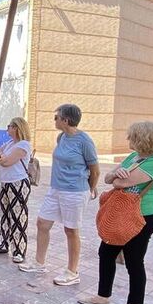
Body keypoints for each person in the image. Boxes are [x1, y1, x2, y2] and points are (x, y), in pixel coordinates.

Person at [78, 121, 153, 304]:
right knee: (106, 253)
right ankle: (103, 297)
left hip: (141, 216)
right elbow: (109, 178)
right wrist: (114, 175)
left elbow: (122, 182)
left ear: (142, 138)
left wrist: (117, 178)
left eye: (132, 136)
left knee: (134, 261)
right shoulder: (132, 157)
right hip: (120, 214)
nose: (128, 140)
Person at [22, 103, 99, 285]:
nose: (54, 120)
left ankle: (72, 272)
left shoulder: (84, 141)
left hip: (74, 191)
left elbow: (95, 170)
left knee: (71, 230)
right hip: (56, 189)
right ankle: (39, 263)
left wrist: (90, 188)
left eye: (56, 117)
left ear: (66, 120)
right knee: (42, 223)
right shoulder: (61, 137)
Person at [0, 117, 32, 264]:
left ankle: (19, 250)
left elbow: (6, 162)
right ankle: (3, 243)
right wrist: (0, 156)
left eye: (9, 126)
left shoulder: (24, 145)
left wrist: (0, 157)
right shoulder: (10, 143)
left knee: (18, 216)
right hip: (5, 183)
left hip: (18, 183)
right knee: (5, 214)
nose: (7, 128)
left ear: (17, 128)